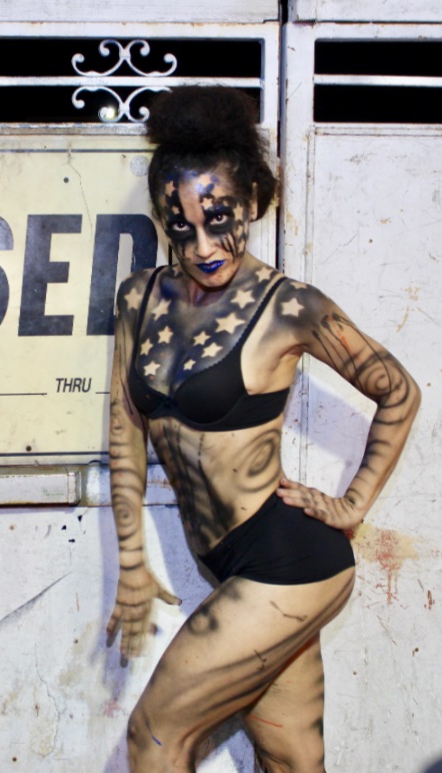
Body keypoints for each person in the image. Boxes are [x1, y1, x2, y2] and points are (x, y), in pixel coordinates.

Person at [106, 87, 420, 772]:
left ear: (250, 201)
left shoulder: (288, 307)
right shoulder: (138, 299)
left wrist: (352, 503)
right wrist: (130, 562)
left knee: (154, 734)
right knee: (289, 755)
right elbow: (125, 426)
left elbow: (398, 391)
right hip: (230, 566)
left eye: (218, 219)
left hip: (289, 563)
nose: (202, 246)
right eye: (180, 226)